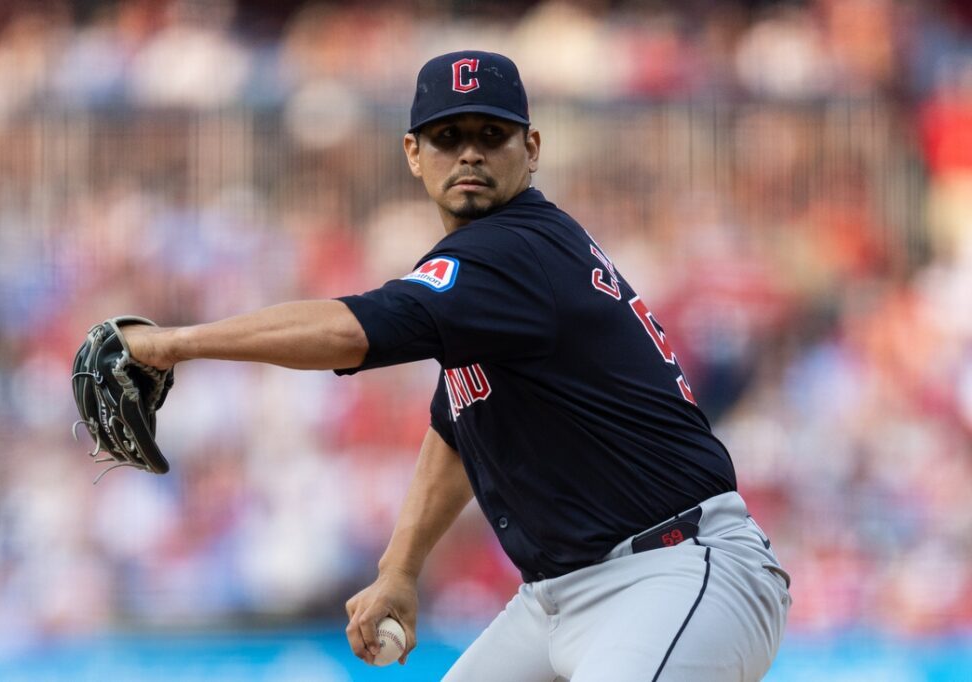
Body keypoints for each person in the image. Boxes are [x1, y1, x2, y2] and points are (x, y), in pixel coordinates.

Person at [123, 51, 791, 681]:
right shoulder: (492, 281)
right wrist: (399, 568)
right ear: (414, 154)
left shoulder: (511, 251)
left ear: (530, 149)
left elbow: (351, 331)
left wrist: (171, 343)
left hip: (674, 572)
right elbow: (456, 428)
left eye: (491, 133)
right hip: (560, 595)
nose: (469, 151)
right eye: (447, 135)